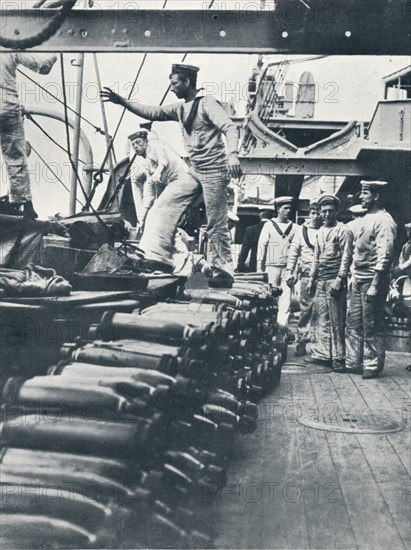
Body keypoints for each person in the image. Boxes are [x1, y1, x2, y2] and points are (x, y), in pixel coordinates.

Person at [101, 63, 242, 287]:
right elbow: (153, 112)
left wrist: (233, 155)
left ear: (187, 82)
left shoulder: (207, 103)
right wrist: (122, 101)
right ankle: (159, 258)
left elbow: (231, 128)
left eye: (175, 83)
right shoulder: (180, 109)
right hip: (195, 170)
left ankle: (224, 270)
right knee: (162, 206)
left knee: (216, 222)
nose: (172, 87)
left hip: (215, 170)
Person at [345, 181, 397, 379]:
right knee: (354, 322)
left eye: (365, 193)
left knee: (372, 324)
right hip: (358, 278)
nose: (361, 197)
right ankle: (354, 361)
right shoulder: (365, 218)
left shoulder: (384, 221)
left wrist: (375, 284)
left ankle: (372, 364)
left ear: (376, 196)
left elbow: (385, 254)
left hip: (372, 280)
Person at [0, 52, 57, 219]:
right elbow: (43, 67)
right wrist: (57, 51)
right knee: (16, 157)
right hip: (7, 107)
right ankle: (22, 204)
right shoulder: (10, 47)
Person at [306, 194, 353, 372]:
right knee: (321, 318)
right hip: (321, 280)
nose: (326, 214)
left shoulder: (344, 230)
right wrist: (312, 279)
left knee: (336, 320)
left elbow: (347, 257)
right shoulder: (320, 232)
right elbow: (316, 258)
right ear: (319, 212)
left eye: (330, 211)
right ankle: (323, 355)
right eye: (323, 211)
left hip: (335, 280)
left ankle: (339, 358)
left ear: (337, 211)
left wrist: (340, 279)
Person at [128, 128, 189, 233]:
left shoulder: (154, 145)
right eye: (133, 144)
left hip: (181, 179)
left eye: (138, 142)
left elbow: (163, 160)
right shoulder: (147, 164)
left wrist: (158, 172)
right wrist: (142, 219)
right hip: (171, 183)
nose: (135, 146)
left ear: (146, 142)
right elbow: (149, 194)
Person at [286, 198, 322, 356]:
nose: (316, 216)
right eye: (313, 213)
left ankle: (321, 344)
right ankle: (302, 341)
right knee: (305, 310)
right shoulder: (301, 231)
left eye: (318, 213)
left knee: (322, 311)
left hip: (324, 276)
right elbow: (293, 252)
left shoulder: (326, 229)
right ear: (309, 214)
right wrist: (290, 272)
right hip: (307, 276)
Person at [257, 196, 297, 326]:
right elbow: (261, 246)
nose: (288, 211)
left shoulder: (295, 227)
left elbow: (297, 251)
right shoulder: (269, 225)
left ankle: (281, 326)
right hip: (271, 268)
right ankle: (268, 325)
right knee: (269, 297)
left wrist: (294, 271)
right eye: (285, 208)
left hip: (287, 269)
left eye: (289, 208)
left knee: (286, 299)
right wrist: (259, 268)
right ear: (278, 209)